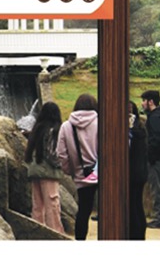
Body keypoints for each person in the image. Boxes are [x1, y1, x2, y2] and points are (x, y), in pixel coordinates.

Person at [55, 93, 99, 240]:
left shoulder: (66, 126)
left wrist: (71, 171)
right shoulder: (101, 122)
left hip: (81, 176)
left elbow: (61, 153)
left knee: (83, 212)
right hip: (102, 173)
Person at [24, 102, 68, 234]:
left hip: (35, 171)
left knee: (37, 206)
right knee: (52, 205)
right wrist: (62, 165)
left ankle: (37, 234)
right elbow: (52, 154)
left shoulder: (37, 129)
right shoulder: (53, 131)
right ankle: (55, 234)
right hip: (48, 173)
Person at [142, 89, 160, 229]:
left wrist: (150, 157)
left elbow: (156, 139)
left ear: (150, 102)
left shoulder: (155, 117)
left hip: (157, 160)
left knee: (158, 189)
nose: (142, 104)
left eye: (144, 101)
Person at [127, 100, 149, 240]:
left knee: (133, 205)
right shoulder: (141, 129)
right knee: (137, 204)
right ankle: (140, 234)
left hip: (132, 173)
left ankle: (135, 235)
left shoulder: (132, 132)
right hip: (141, 172)